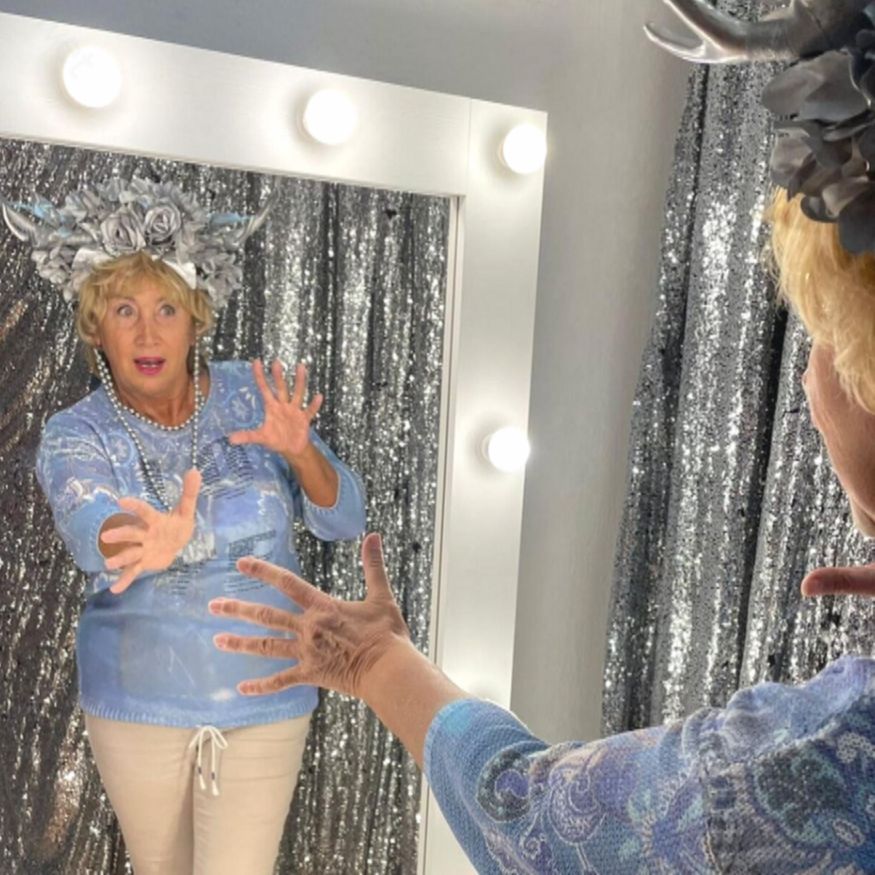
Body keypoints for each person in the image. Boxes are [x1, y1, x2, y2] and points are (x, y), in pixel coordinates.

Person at [207, 5, 875, 873]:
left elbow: (533, 820)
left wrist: (373, 659)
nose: (811, 377)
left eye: (821, 333)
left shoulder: (807, 772)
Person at [4, 176, 367, 875]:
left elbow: (343, 517)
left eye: (167, 309)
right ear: (95, 327)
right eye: (125, 310)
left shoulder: (253, 395)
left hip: (268, 693)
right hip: (137, 705)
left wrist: (302, 453)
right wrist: (143, 539)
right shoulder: (75, 431)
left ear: (196, 320)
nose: (147, 333)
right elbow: (88, 524)